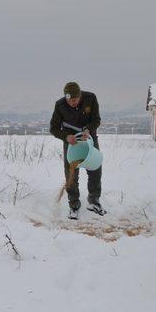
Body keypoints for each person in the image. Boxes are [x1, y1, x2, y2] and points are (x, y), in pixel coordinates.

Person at [50, 82, 105, 219]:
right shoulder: (60, 105)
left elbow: (96, 119)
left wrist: (89, 130)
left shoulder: (90, 98)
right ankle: (74, 204)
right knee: (71, 173)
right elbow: (54, 128)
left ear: (80, 96)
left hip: (88, 139)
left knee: (95, 169)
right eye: (70, 100)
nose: (73, 102)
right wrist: (66, 137)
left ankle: (94, 201)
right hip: (72, 141)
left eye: (75, 100)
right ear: (65, 98)